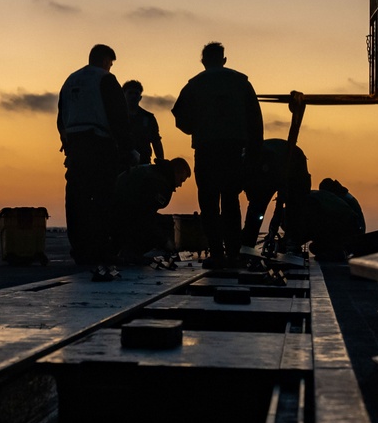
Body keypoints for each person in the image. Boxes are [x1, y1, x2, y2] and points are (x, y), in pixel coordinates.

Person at [172, 42, 263, 268]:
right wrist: (253, 151)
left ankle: (216, 253)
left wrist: (200, 126)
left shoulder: (194, 84)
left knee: (209, 203)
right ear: (224, 59)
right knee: (231, 200)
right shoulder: (241, 82)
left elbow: (181, 119)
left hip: (207, 149)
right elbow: (255, 120)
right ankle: (233, 253)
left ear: (203, 61)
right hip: (234, 149)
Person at [57, 44, 139, 281]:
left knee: (76, 198)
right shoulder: (105, 79)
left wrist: (68, 143)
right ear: (105, 61)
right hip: (99, 143)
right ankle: (102, 249)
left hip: (75, 144)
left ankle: (80, 250)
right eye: (110, 63)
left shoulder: (70, 80)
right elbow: (118, 116)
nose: (110, 67)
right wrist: (128, 148)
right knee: (103, 197)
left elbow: (61, 116)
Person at [240, 138, 311, 254]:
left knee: (294, 207)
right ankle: (248, 239)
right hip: (270, 168)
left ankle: (292, 241)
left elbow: (260, 200)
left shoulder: (265, 164)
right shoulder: (244, 166)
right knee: (256, 209)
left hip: (295, 165)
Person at [113, 157, 191, 262]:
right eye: (181, 180)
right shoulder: (158, 183)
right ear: (175, 172)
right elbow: (144, 216)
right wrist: (164, 241)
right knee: (160, 226)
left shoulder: (153, 171)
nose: (180, 185)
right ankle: (131, 252)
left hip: (119, 209)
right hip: (121, 214)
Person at [122, 80, 165, 164]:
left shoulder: (149, 118)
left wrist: (162, 162)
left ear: (140, 97)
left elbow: (156, 141)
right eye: (130, 93)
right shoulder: (116, 116)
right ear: (123, 95)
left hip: (143, 163)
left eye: (136, 93)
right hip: (120, 163)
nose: (133, 96)